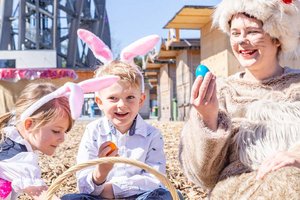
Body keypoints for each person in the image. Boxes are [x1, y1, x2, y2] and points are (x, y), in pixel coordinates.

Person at [179, 0, 300, 199]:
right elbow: (203, 176)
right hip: (240, 192)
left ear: (277, 37)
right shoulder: (221, 93)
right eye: (235, 33)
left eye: (252, 31)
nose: (241, 40)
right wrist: (207, 120)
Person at [61, 29, 183, 200]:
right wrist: (100, 173)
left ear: (141, 100)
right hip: (100, 196)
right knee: (70, 199)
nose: (122, 105)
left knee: (167, 195)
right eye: (113, 98)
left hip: (138, 197)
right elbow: (83, 183)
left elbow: (156, 178)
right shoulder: (93, 132)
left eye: (130, 98)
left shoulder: (151, 135)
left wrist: (114, 190)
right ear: (99, 102)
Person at [0, 76, 119, 200]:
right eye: (56, 131)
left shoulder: (11, 131)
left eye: (65, 131)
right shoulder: (19, 158)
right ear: (29, 124)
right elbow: (44, 196)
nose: (62, 138)